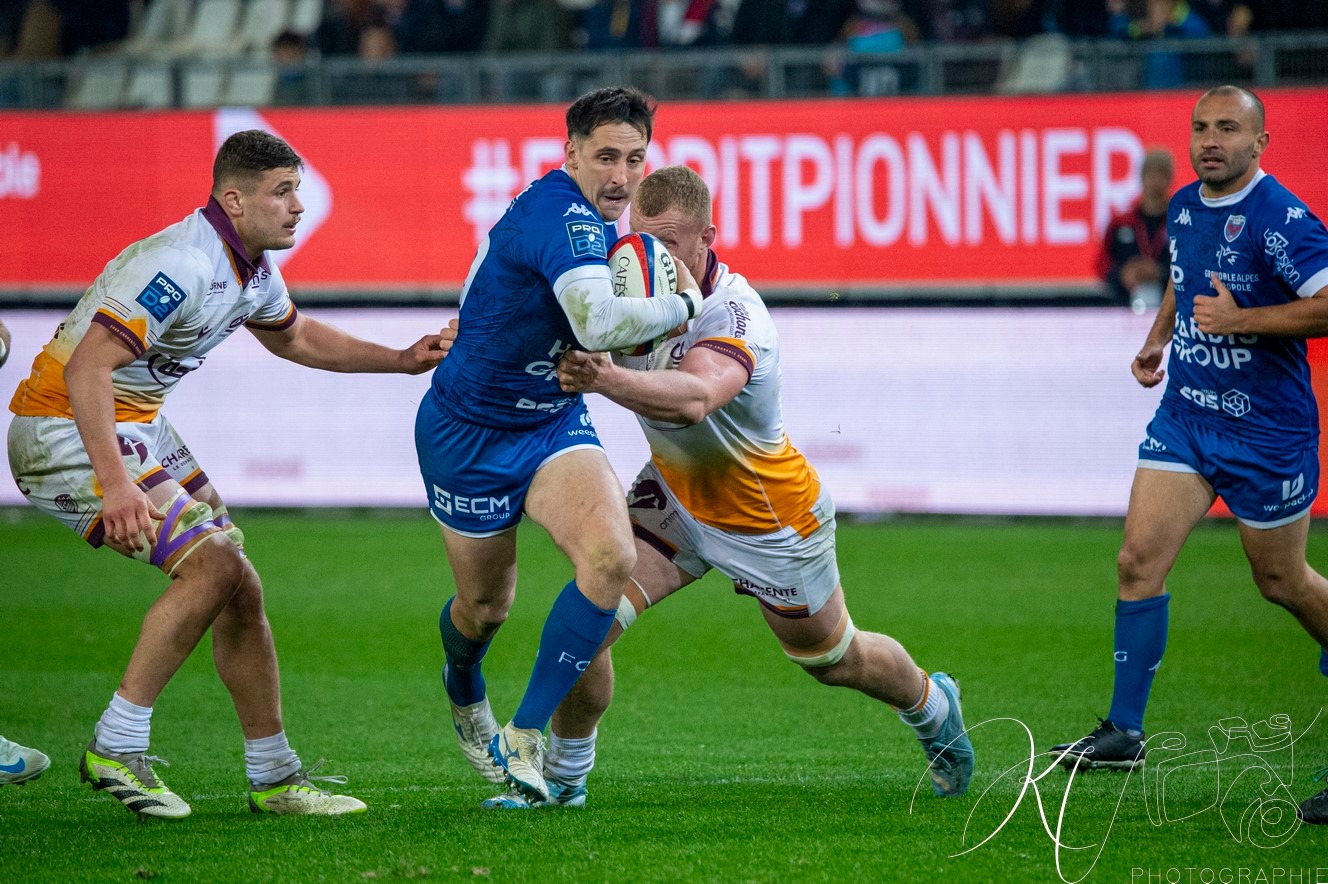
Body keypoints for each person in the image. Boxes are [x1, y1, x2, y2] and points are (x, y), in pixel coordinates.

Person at [479, 164, 975, 809]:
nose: (647, 256)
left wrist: (603, 378)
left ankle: (934, 709)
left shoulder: (736, 313)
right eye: (637, 238)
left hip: (768, 518)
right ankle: (564, 780)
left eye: (670, 243)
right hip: (677, 499)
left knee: (832, 660)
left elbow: (694, 399)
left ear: (709, 236)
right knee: (590, 620)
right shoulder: (620, 285)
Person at [7, 129, 450, 819]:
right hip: (65, 422)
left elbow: (296, 337)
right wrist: (117, 485)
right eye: (282, 192)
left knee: (238, 579)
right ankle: (117, 745)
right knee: (211, 566)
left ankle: (274, 777)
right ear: (235, 199)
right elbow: (87, 366)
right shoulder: (182, 263)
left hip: (136, 423)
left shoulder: (249, 266)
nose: (298, 206)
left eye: (298, 189)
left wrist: (399, 358)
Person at [1047, 86, 1328, 828]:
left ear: (1260, 143)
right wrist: (1159, 338)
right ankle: (1125, 732)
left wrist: (1246, 319)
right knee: (1138, 560)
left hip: (1269, 435)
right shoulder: (1179, 206)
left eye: (1228, 129)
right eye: (1202, 127)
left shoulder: (1283, 220)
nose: (1211, 140)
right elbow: (1183, 276)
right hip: (1189, 417)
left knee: (1282, 582)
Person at [415, 87, 704, 806]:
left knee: (612, 556)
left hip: (549, 422)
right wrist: (685, 305)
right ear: (569, 152)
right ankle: (462, 685)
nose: (622, 176)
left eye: (635, 159)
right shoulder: (564, 213)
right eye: (605, 156)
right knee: (484, 609)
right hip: (469, 432)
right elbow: (597, 318)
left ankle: (524, 733)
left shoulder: (599, 224)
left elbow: (495, 283)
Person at [1097, 148, 1174, 310]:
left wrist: (1160, 273)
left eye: (1161, 174)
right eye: (1150, 174)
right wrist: (1123, 275)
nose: (1155, 181)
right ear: (1141, 177)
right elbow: (1102, 265)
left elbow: (1195, 268)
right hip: (1125, 308)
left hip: (1172, 310)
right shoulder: (1121, 223)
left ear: (1170, 179)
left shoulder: (1181, 222)